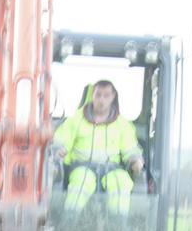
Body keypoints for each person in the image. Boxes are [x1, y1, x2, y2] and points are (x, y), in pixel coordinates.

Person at [53, 80, 145, 216]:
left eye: (106, 96)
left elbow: (130, 148)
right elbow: (61, 139)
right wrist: (59, 149)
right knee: (82, 182)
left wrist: (135, 160)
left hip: (112, 169)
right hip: (82, 167)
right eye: (98, 95)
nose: (101, 100)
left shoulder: (122, 124)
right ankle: (69, 222)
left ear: (113, 97)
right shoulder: (76, 119)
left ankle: (119, 227)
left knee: (121, 182)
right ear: (92, 96)